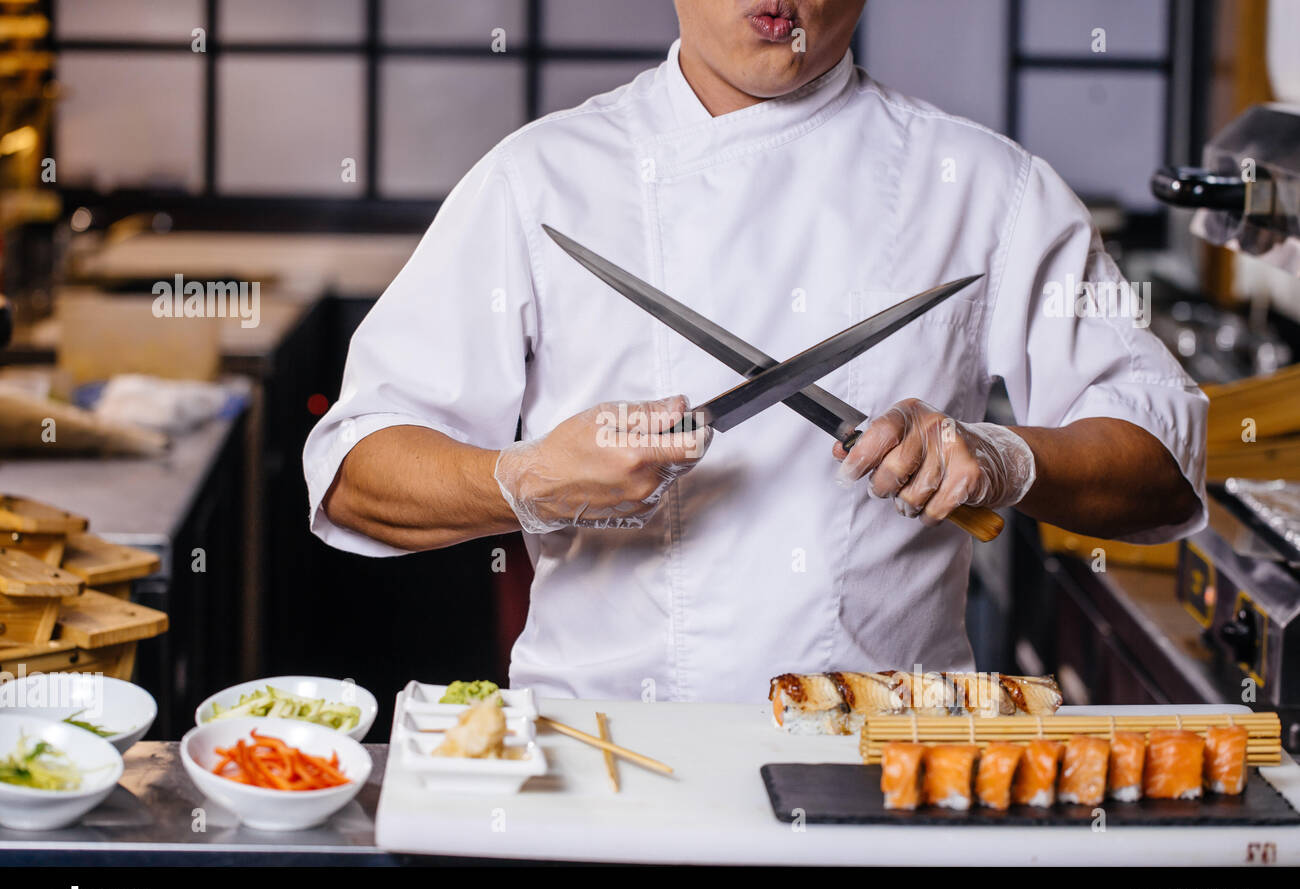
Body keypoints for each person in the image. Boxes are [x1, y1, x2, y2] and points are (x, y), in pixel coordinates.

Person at [303, 0, 1206, 701]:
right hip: (600, 770)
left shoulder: (989, 189)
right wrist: (523, 482)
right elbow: (355, 469)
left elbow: (1163, 463)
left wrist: (1005, 459)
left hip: (879, 778)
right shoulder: (538, 180)